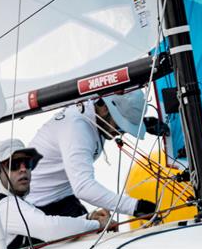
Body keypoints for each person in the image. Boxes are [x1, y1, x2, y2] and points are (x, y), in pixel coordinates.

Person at [26, 91, 158, 218]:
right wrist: (134, 206)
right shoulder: (76, 128)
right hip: (37, 207)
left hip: (64, 198)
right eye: (120, 125)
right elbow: (83, 187)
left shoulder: (93, 113)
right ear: (105, 108)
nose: (120, 133)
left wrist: (143, 124)